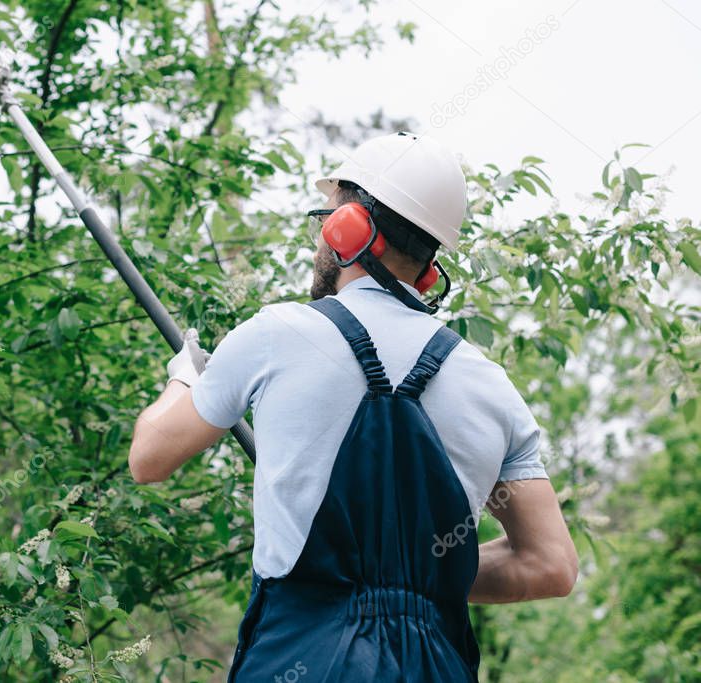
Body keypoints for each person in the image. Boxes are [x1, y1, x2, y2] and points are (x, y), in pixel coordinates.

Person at [128, 132, 578, 682]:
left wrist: (185, 379)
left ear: (352, 228)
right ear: (430, 265)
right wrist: (425, 574)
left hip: (302, 656)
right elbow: (550, 565)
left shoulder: (277, 333)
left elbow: (149, 459)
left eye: (328, 218)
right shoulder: (490, 385)